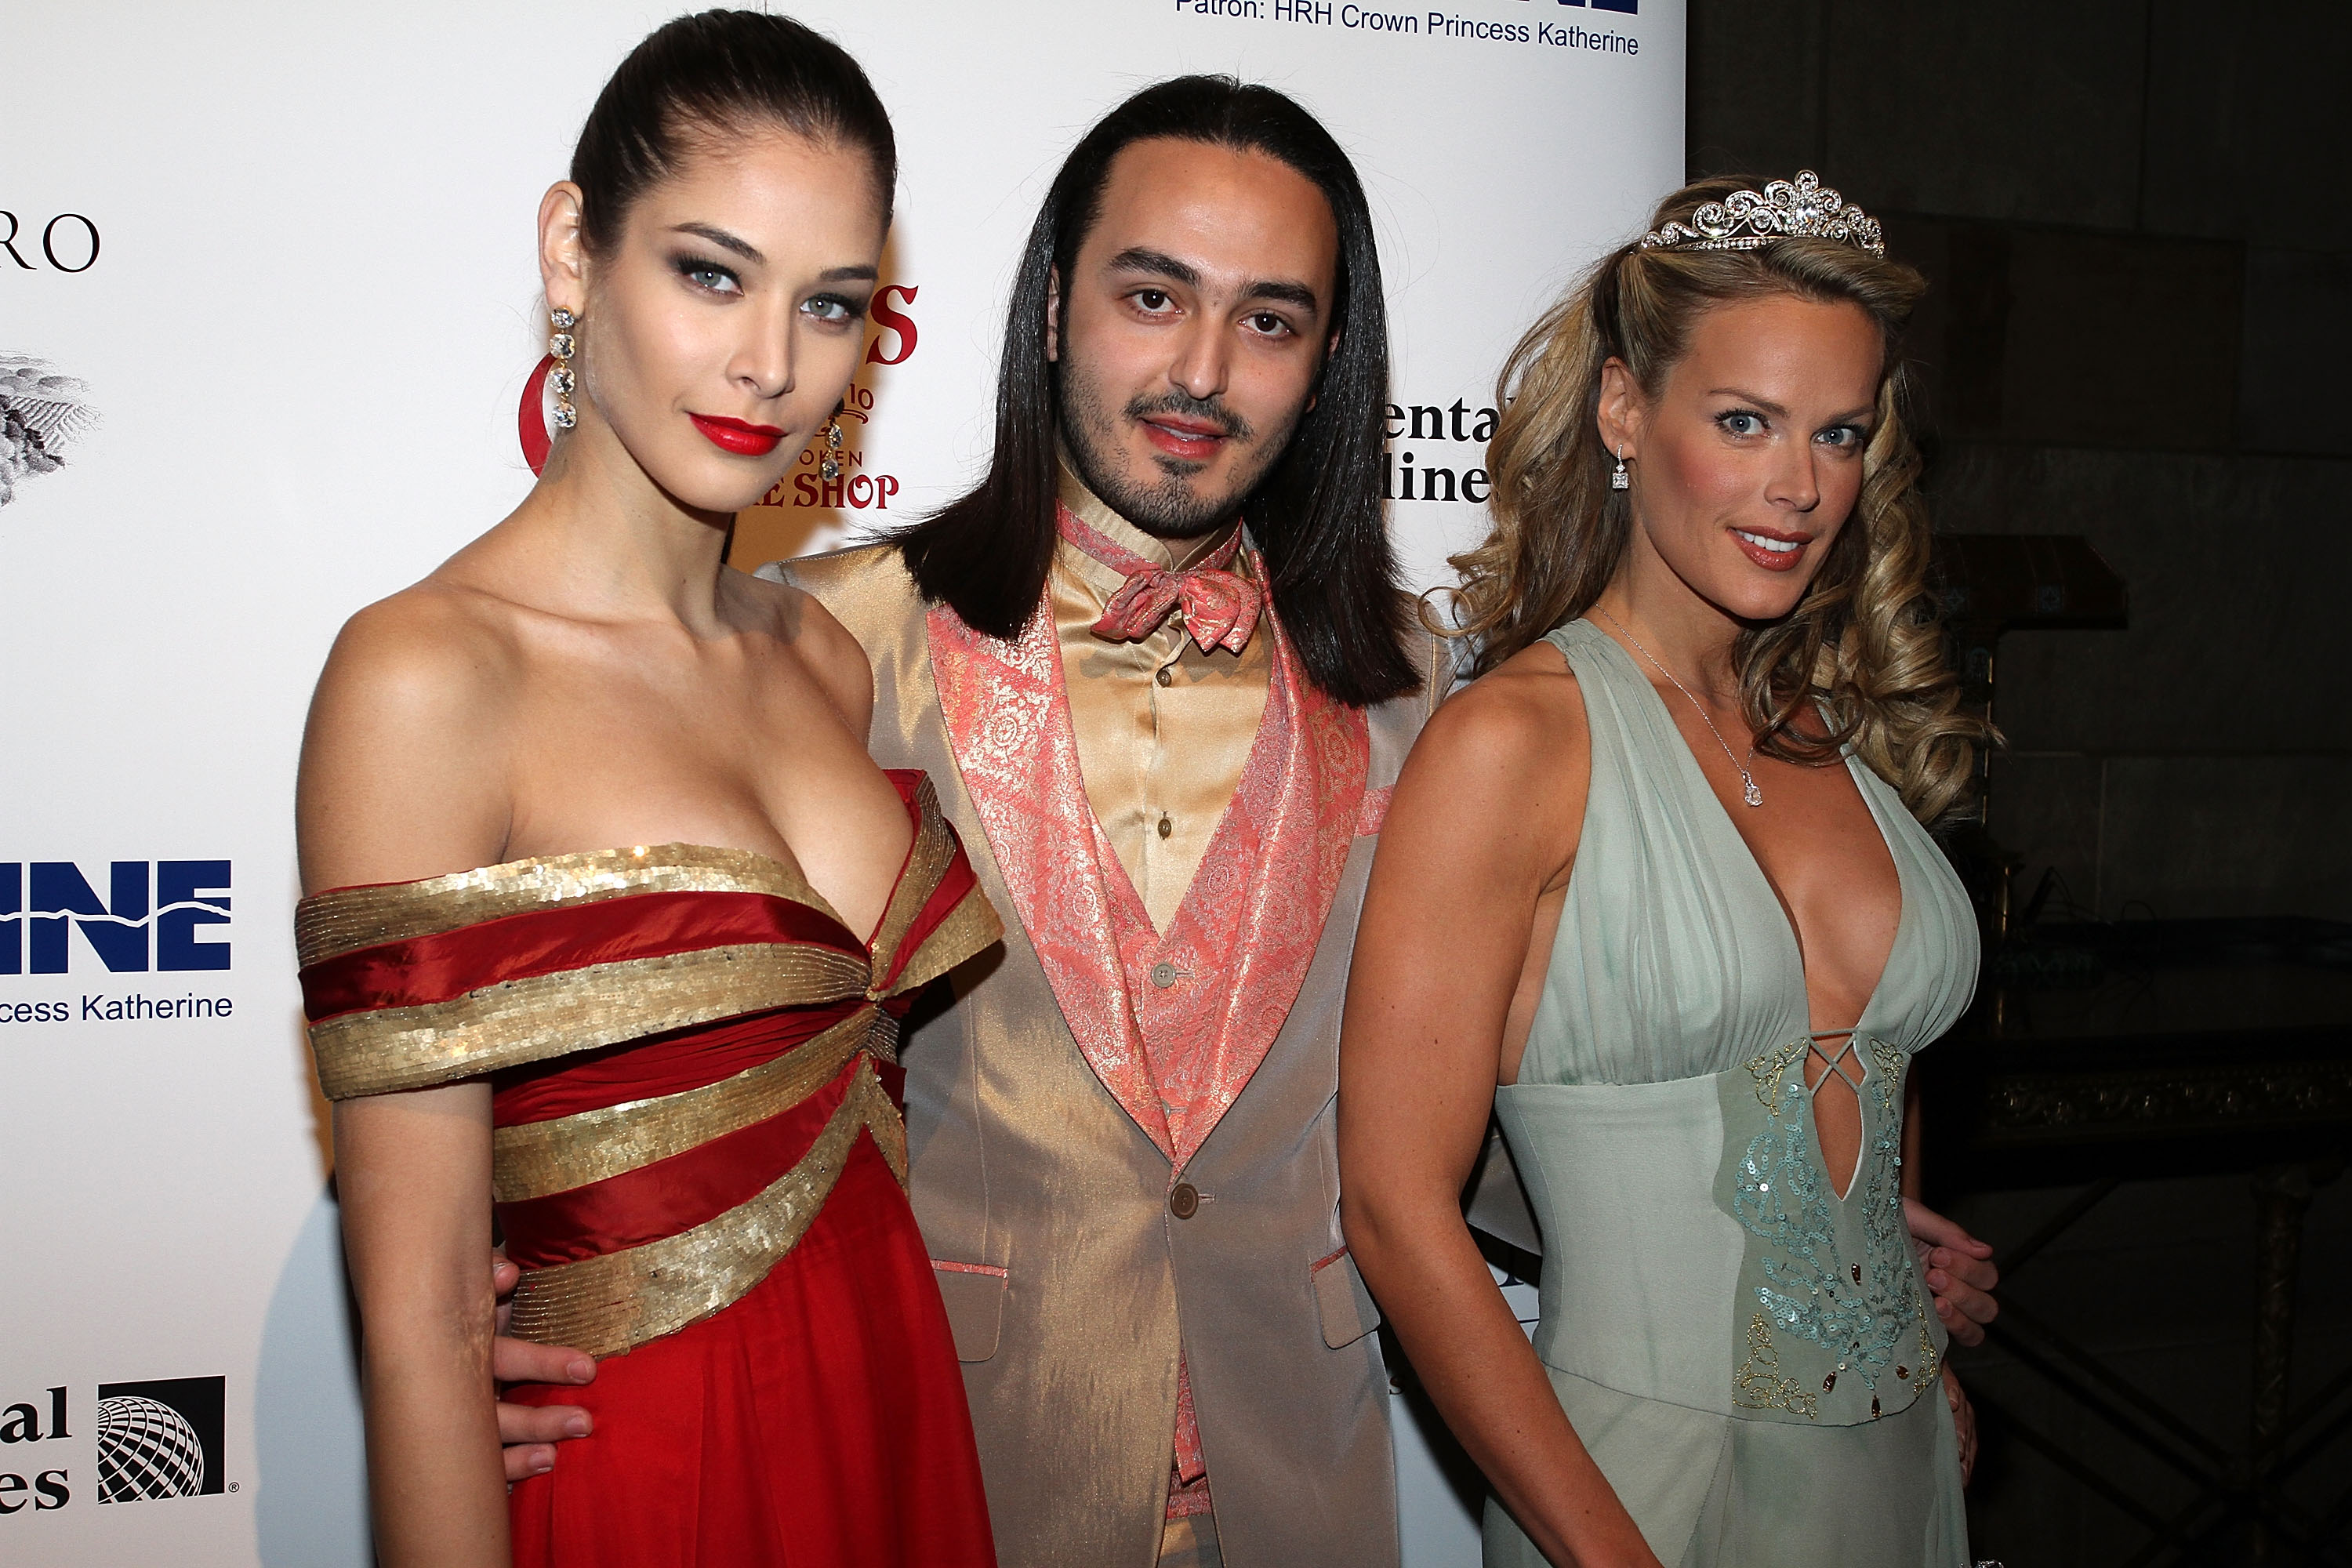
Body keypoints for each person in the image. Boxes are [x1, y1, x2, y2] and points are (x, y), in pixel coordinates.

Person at [496, 100, 2003, 1563]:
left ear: (1330, 361)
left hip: (1306, 1474)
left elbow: (1480, 1101)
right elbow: (626, 1043)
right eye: (1153, 297)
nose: (1203, 370)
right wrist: (517, 1291)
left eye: (1270, 320)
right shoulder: (823, 652)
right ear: (1051, 308)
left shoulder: (1418, 685)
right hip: (954, 1459)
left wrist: (1830, 1238)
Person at [293, 13, 998, 1567]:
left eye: (831, 303)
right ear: (574, 250)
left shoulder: (823, 661)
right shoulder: (428, 680)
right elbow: (422, 1336)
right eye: (710, 273)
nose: (773, 363)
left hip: (893, 1422)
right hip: (654, 1473)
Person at [1338, 173, 1994, 1566]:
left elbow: (1855, 1083)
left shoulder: (1837, 728)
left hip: (1897, 1477)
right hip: (1636, 1495)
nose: (1798, 486)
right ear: (1626, 411)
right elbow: (1395, 1211)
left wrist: (1906, 1322)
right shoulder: (1514, 745)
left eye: (1838, 433)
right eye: (1745, 421)